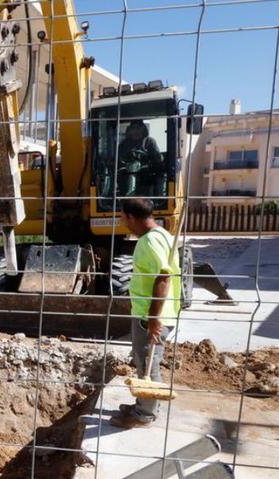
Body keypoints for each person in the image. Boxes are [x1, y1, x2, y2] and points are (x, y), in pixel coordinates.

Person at [111, 197, 182, 429]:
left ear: (132, 217)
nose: (123, 222)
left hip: (151, 315)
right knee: (145, 360)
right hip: (159, 311)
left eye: (123, 217)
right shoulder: (161, 235)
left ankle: (144, 415)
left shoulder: (149, 242)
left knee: (147, 364)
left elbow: (162, 278)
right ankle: (144, 405)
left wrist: (153, 318)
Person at [116, 120, 163, 197]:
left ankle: (154, 198)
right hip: (126, 173)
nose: (136, 131)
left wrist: (149, 160)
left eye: (138, 128)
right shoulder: (123, 145)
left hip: (146, 174)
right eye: (133, 128)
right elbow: (117, 159)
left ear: (143, 129)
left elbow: (157, 158)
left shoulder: (149, 141)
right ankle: (123, 199)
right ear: (129, 130)